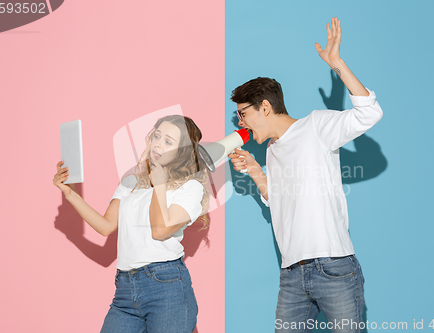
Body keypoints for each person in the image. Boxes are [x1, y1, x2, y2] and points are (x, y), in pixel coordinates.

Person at [228, 18, 383, 333]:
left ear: (266, 107)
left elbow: (370, 113)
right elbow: (279, 201)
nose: (242, 123)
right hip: (292, 274)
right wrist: (256, 171)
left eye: (243, 114)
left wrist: (337, 65)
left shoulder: (316, 126)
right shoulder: (272, 150)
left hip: (333, 266)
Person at [53, 115, 210, 333]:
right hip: (126, 287)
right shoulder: (132, 180)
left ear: (181, 152)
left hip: (166, 287)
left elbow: (160, 229)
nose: (158, 144)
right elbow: (106, 225)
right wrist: (70, 194)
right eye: (157, 136)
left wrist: (160, 185)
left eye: (168, 141)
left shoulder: (190, 188)